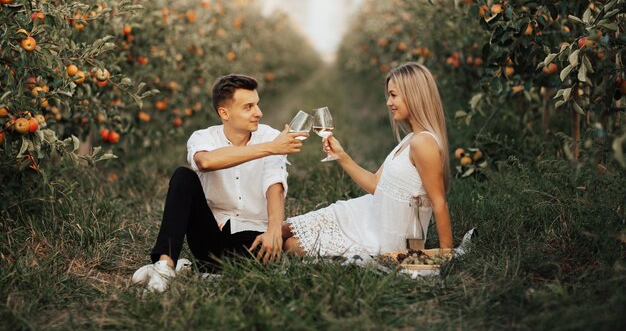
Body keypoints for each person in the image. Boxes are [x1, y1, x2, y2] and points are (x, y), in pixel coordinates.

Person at [132, 74, 307, 292]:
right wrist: (271, 147)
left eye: (257, 104)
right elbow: (205, 162)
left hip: (251, 236)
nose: (258, 113)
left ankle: (195, 271)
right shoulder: (204, 137)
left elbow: (275, 186)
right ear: (224, 113)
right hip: (209, 232)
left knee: (258, 270)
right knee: (183, 176)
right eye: (248, 107)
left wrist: (273, 231)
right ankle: (165, 265)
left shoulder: (270, 136)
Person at [282, 62, 453, 256]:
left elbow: (439, 202)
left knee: (292, 245)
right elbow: (375, 184)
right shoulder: (410, 139)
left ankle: (243, 255)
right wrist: (341, 156)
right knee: (284, 228)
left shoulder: (423, 143)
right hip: (366, 213)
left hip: (382, 236)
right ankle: (242, 246)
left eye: (394, 95)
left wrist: (446, 254)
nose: (389, 102)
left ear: (414, 95)